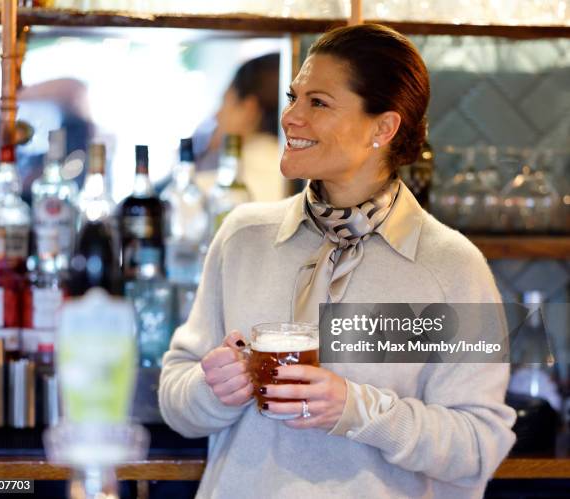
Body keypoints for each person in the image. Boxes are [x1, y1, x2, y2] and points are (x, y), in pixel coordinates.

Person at [159, 24, 516, 499]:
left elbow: (478, 446)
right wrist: (212, 390)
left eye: (318, 103)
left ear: (383, 128)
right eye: (293, 97)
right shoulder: (243, 238)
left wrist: (359, 410)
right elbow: (175, 398)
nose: (290, 117)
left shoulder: (451, 266)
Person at [193, 53, 287, 202]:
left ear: (248, 110)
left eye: (224, 102)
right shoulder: (303, 179)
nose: (217, 115)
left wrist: (204, 154)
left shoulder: (208, 192)